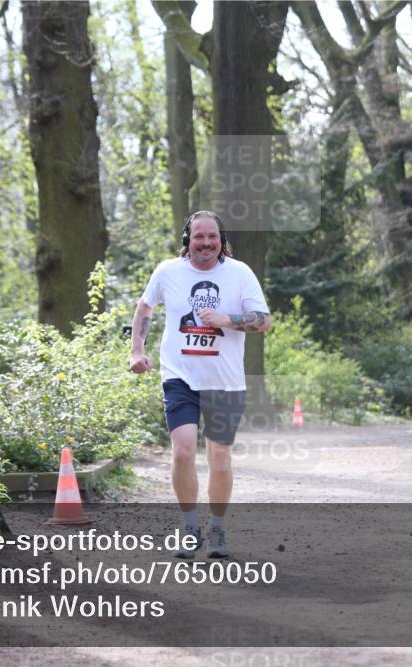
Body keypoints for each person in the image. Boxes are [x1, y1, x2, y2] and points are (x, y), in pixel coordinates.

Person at [130, 211, 271, 559]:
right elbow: (145, 307)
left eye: (212, 237)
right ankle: (190, 526)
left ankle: (218, 529)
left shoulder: (239, 274)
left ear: (221, 240)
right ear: (187, 240)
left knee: (219, 457)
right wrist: (137, 351)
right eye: (198, 237)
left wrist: (229, 319)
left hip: (225, 381)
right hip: (180, 376)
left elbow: (264, 321)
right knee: (182, 450)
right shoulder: (168, 271)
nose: (206, 243)